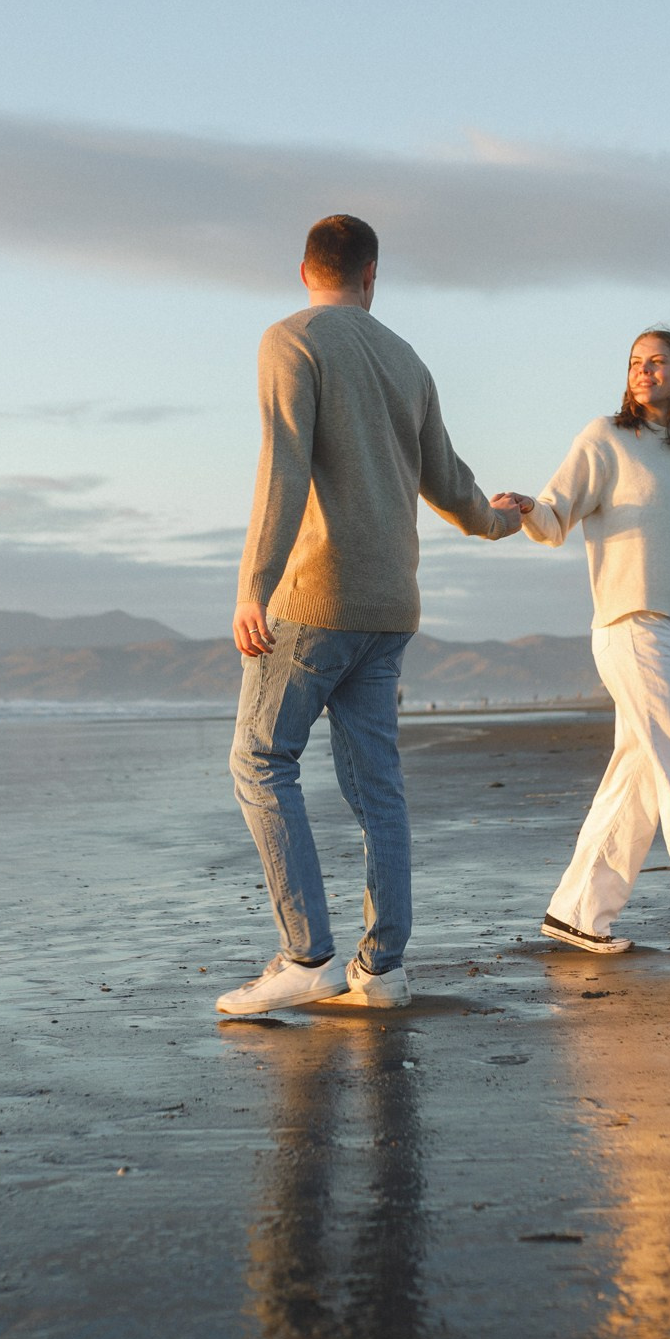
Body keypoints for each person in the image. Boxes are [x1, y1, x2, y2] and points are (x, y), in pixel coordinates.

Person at [217, 214, 524, 1016]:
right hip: (391, 608)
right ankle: (382, 968)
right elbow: (449, 480)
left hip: (317, 601)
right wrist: (497, 519)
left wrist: (254, 583)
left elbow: (283, 463)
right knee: (378, 790)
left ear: (304, 270)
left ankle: (307, 953)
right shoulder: (406, 360)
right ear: (372, 273)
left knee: (259, 759)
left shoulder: (292, 339)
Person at [496, 327, 670, 961]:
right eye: (634, 364)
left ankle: (578, 912)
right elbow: (555, 512)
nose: (644, 372)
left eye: (657, 363)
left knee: (641, 778)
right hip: (629, 625)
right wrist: (524, 509)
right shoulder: (606, 438)